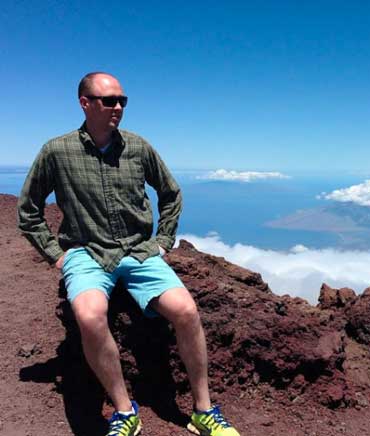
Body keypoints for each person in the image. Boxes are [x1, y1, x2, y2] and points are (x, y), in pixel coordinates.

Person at [17, 72, 240, 436]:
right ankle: (125, 412)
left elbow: (170, 192)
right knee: (89, 317)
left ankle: (204, 410)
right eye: (109, 100)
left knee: (186, 311)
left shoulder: (137, 146)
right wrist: (57, 255)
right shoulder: (56, 151)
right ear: (85, 103)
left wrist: (163, 240)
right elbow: (28, 210)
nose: (118, 107)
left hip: (140, 252)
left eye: (123, 100)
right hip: (86, 253)